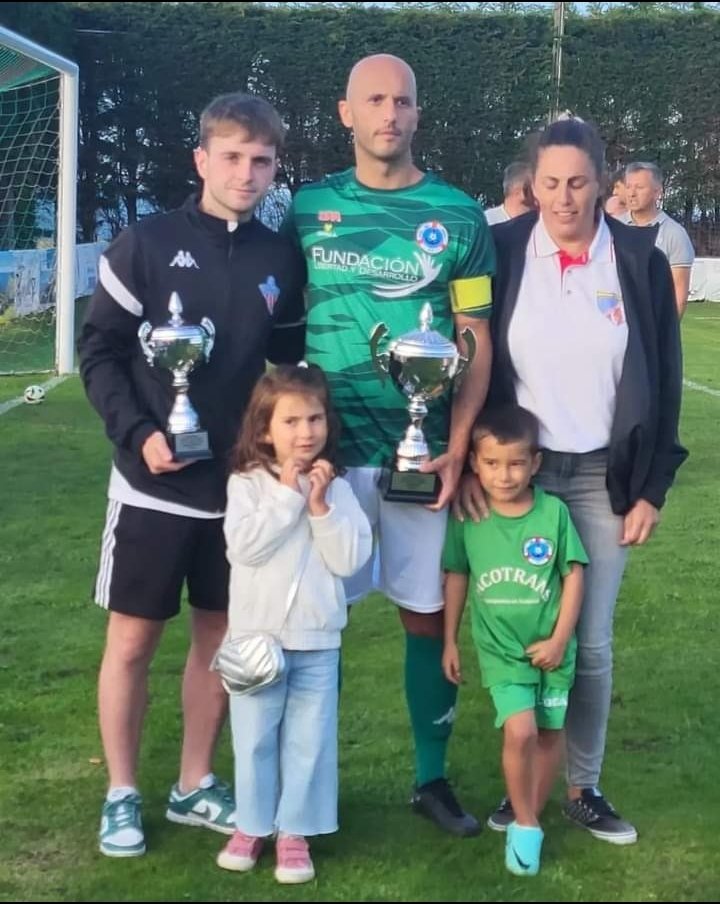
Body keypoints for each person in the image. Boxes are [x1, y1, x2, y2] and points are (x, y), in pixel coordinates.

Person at [78, 92, 307, 858]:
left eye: (262, 161)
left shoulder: (281, 257)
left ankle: (192, 784)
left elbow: (287, 369)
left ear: (276, 169)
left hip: (238, 492)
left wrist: (292, 447)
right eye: (233, 157)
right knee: (135, 642)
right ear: (202, 158)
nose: (247, 173)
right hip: (153, 486)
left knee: (219, 640)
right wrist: (139, 433)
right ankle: (120, 793)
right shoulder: (143, 243)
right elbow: (100, 352)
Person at [284, 53, 495, 837]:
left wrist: (461, 444)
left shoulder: (459, 216)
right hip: (327, 459)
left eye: (402, 100)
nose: (389, 113)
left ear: (417, 113)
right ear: (346, 112)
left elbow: (476, 336)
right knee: (311, 623)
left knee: (425, 616)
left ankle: (431, 780)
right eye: (374, 99)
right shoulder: (306, 210)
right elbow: (275, 323)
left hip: (423, 456)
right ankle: (305, 787)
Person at [462, 117, 687, 845]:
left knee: (587, 645)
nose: (564, 199)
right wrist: (469, 458)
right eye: (551, 183)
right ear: (533, 182)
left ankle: (582, 785)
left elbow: (665, 375)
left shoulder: (638, 259)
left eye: (579, 182)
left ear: (604, 183)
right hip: (516, 480)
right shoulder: (497, 250)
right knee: (517, 635)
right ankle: (520, 784)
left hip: (601, 479)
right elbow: (470, 360)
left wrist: (652, 486)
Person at [215, 364, 372, 884]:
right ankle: (252, 823)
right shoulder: (247, 485)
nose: (305, 432)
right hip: (256, 641)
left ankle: (295, 832)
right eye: (291, 421)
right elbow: (245, 547)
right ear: (264, 428)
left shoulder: (340, 489)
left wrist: (321, 506)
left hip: (316, 640)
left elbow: (350, 560)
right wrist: (287, 495)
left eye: (315, 419)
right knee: (255, 736)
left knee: (309, 739)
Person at [442, 405, 587, 876]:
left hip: (552, 650)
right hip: (502, 651)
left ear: (536, 463)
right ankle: (525, 825)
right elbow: (457, 576)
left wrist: (561, 639)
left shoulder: (554, 513)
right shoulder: (470, 516)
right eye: (491, 464)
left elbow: (573, 576)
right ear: (475, 465)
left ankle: (530, 808)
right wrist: (450, 641)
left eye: (516, 463)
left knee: (548, 734)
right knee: (520, 730)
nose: (504, 476)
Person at [622, 161, 695, 318]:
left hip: (651, 328)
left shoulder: (674, 234)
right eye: (628, 187)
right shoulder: (611, 228)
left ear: (657, 193)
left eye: (639, 187)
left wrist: (662, 336)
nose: (631, 193)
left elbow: (679, 296)